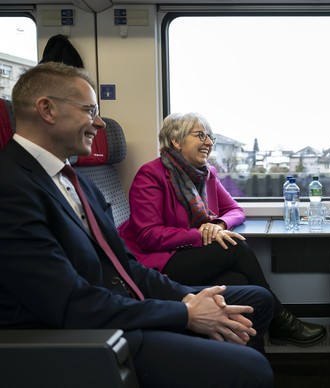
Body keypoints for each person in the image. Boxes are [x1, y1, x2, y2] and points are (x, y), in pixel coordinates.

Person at [0, 61, 276, 388]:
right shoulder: (11, 188)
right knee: (253, 369)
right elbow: (72, 304)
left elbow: (124, 265)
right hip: (86, 333)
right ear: (47, 109)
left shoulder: (76, 181)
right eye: (90, 110)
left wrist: (186, 298)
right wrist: (185, 313)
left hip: (121, 302)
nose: (100, 123)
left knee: (256, 300)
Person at [117, 112, 327, 347]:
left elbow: (235, 210)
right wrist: (200, 234)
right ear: (176, 140)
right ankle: (280, 319)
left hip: (188, 256)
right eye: (200, 135)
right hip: (156, 261)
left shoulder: (207, 173)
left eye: (210, 137)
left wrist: (219, 225)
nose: (208, 143)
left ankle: (246, 358)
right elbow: (149, 235)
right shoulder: (151, 175)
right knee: (234, 247)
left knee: (236, 279)